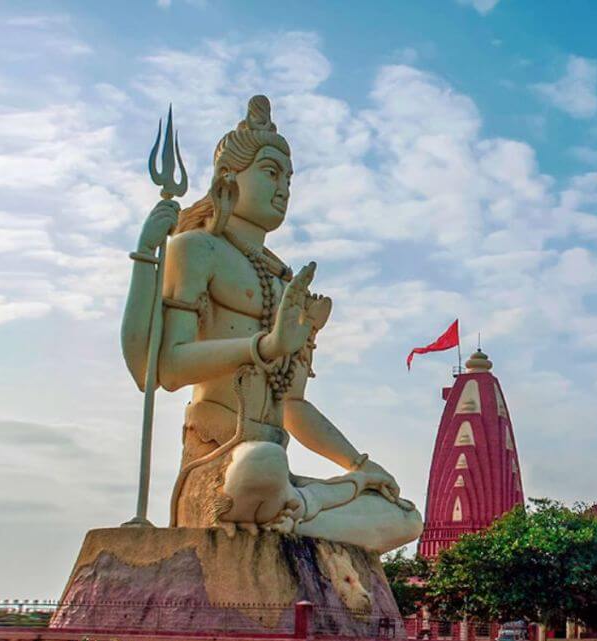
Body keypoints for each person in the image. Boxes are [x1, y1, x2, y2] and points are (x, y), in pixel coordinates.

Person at [121, 96, 422, 552]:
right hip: (220, 466)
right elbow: (166, 369)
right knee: (260, 465)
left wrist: (359, 465)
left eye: (288, 179)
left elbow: (293, 406)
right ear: (230, 177)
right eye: (270, 173)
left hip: (274, 472)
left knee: (405, 517)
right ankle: (298, 509)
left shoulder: (285, 284)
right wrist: (264, 345)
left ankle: (292, 511)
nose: (283, 189)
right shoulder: (197, 249)